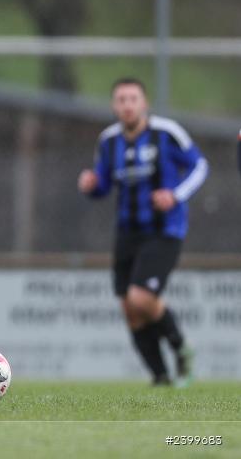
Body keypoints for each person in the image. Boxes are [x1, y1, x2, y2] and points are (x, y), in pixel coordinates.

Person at [78, 77, 207, 387]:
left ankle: (180, 347)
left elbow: (199, 166)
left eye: (132, 99)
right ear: (114, 106)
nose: (127, 105)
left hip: (165, 230)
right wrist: (92, 186)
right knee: (129, 309)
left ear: (144, 103)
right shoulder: (108, 141)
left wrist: (175, 195)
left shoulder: (167, 133)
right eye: (121, 100)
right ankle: (160, 377)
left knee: (141, 297)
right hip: (127, 232)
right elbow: (104, 184)